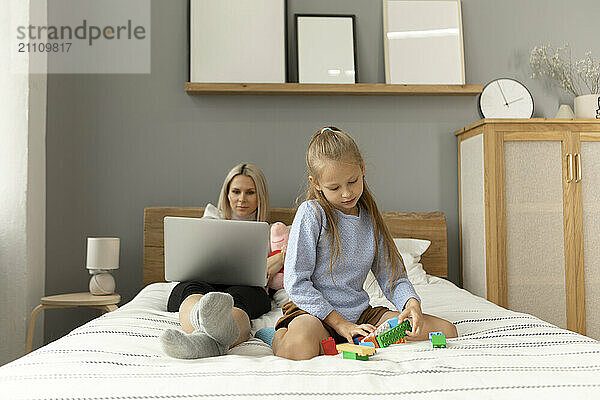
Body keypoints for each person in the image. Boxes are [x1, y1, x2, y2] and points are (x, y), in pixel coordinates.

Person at [272, 126, 457, 360]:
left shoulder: (370, 219)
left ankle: (337, 342)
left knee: (447, 330)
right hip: (315, 314)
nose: (347, 193)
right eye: (334, 188)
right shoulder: (312, 213)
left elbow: (393, 278)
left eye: (352, 181)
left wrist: (410, 303)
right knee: (299, 348)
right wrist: (340, 324)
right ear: (316, 183)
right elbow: (296, 282)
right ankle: (276, 335)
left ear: (362, 169)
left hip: (360, 317)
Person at [160, 162, 285, 359]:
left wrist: (281, 258)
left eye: (250, 192)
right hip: (202, 282)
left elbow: (292, 266)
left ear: (260, 196)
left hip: (246, 288)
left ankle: (200, 343)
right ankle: (208, 332)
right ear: (227, 194)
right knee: (192, 290)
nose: (241, 199)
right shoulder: (208, 222)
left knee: (239, 300)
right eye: (236, 191)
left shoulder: (272, 233)